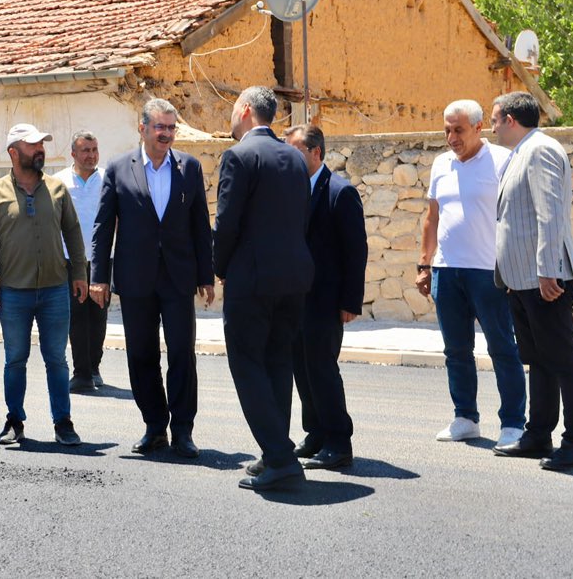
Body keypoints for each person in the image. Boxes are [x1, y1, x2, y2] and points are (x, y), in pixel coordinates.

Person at [90, 98, 214, 459]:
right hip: (135, 278)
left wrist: (205, 274)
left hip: (177, 279)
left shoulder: (189, 167)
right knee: (141, 355)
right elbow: (102, 227)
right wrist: (99, 277)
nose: (166, 134)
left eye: (171, 128)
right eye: (160, 127)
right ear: (142, 128)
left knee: (181, 355)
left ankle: (184, 431)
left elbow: (199, 226)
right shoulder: (117, 169)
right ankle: (154, 426)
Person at [213, 86, 314, 491]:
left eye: (233, 108)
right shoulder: (293, 154)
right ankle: (275, 451)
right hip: (293, 277)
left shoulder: (238, 155)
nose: (231, 116)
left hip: (252, 278)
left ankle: (280, 458)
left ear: (247, 110)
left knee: (247, 364)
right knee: (277, 363)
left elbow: (227, 223)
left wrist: (220, 268)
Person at [416, 100, 527, 448]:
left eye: (458, 130)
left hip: (489, 272)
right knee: (456, 351)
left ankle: (513, 424)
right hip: (447, 272)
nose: (451, 137)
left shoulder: (501, 160)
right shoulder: (440, 164)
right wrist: (425, 264)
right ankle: (465, 417)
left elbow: (516, 217)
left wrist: (513, 268)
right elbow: (431, 218)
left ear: (479, 128)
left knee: (502, 348)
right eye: (447, 130)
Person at [491, 91, 573, 470]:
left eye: (496, 119)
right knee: (541, 361)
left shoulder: (540, 150)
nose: (493, 126)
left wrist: (547, 269)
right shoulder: (521, 153)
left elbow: (549, 213)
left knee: (563, 360)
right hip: (523, 279)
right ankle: (538, 435)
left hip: (545, 279)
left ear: (512, 120)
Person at [0, 123, 87, 446]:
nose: (40, 150)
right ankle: (14, 421)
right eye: (33, 145)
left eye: (41, 144)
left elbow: (73, 233)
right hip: (14, 292)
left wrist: (79, 273)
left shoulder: (56, 189)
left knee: (57, 358)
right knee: (15, 359)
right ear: (14, 152)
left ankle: (63, 422)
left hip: (55, 289)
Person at [284, 124, 367, 469]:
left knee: (321, 369)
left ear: (315, 152)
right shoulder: (291, 190)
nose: (290, 158)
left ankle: (338, 440)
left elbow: (356, 250)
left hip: (326, 300)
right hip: (296, 298)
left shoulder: (339, 192)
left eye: (296, 152)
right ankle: (315, 432)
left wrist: (350, 301)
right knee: (301, 368)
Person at [53, 131, 109, 393]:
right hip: (70, 261)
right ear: (73, 154)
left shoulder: (109, 178)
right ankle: (81, 372)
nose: (91, 155)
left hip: (101, 260)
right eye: (85, 150)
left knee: (98, 316)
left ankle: (94, 368)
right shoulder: (59, 182)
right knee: (76, 317)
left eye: (94, 149)